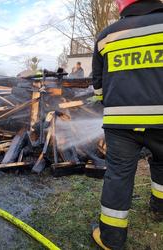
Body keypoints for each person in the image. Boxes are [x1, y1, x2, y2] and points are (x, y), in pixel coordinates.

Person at [92, 0, 163, 249]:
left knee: (119, 176)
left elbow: (98, 87)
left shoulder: (106, 36)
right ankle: (160, 208)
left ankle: (111, 238)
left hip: (121, 124)